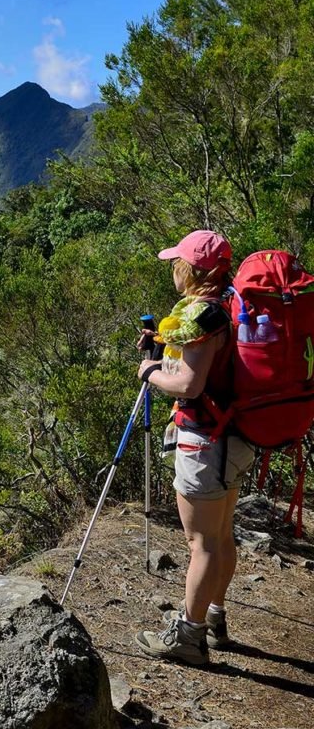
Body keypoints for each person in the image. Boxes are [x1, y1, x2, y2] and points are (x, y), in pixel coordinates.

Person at [134, 230, 254, 666]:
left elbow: (189, 383)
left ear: (192, 270)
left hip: (206, 439)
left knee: (201, 542)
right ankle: (215, 618)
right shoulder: (230, 303)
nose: (172, 268)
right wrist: (162, 348)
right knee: (220, 534)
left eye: (177, 262)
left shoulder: (202, 315)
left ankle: (189, 635)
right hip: (236, 437)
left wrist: (149, 371)